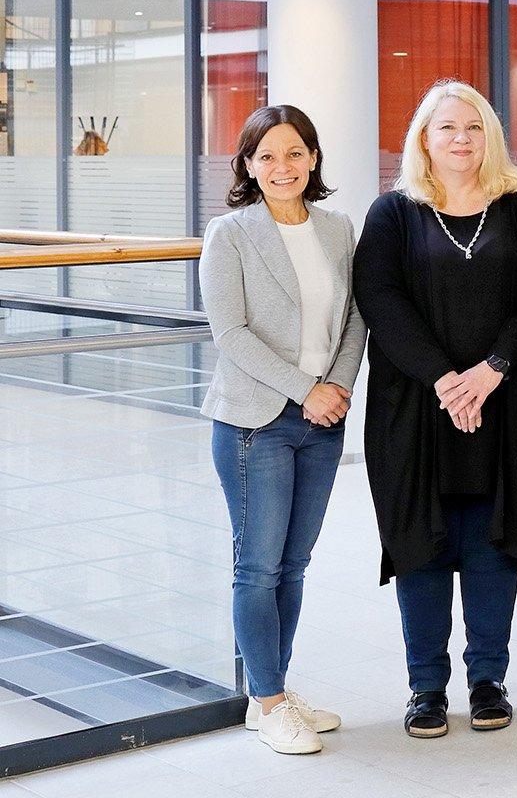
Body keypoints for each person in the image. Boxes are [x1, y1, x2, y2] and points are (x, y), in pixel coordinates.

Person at [354, 81, 517, 739]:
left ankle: (487, 680)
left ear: (490, 138)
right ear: (424, 137)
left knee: (491, 542)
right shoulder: (393, 213)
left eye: (473, 128)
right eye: (447, 128)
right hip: (413, 411)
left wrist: (490, 370)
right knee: (421, 542)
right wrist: (448, 381)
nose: (461, 139)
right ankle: (425, 689)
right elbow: (380, 301)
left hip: (504, 408)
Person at [200, 105, 366, 756]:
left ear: (314, 159)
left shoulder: (336, 228)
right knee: (258, 567)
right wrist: (308, 391)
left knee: (293, 566)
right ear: (246, 165)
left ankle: (274, 689)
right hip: (254, 424)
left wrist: (340, 390)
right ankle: (268, 703)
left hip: (322, 423)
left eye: (294, 153)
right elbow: (230, 334)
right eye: (265, 156)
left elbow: (355, 319)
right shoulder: (230, 233)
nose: (281, 167)